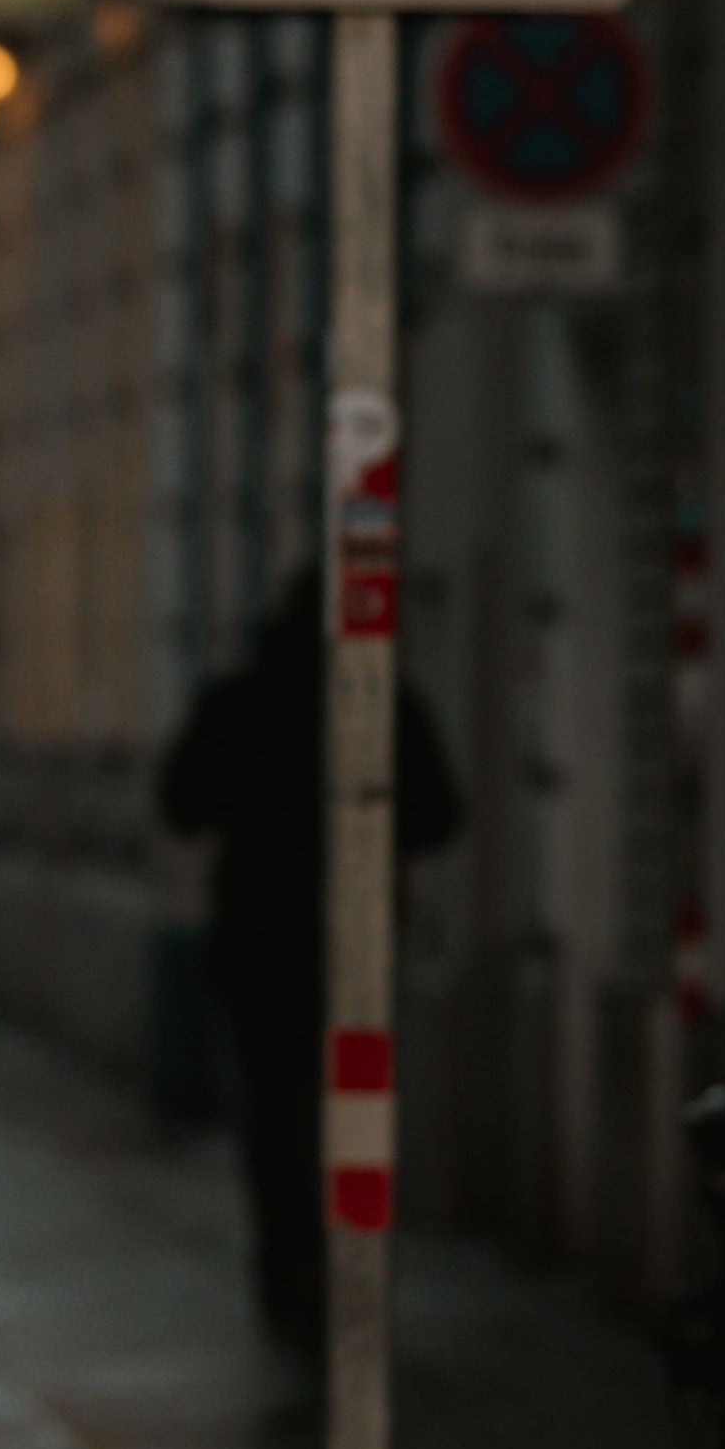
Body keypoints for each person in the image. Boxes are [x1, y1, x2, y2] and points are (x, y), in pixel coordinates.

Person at [156, 568, 461, 1342]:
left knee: (271, 1114)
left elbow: (180, 802)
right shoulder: (380, 702)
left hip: (258, 939)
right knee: (348, 1106)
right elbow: (440, 813)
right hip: (350, 940)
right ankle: (343, 1259)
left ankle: (287, 1263)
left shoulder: (239, 700)